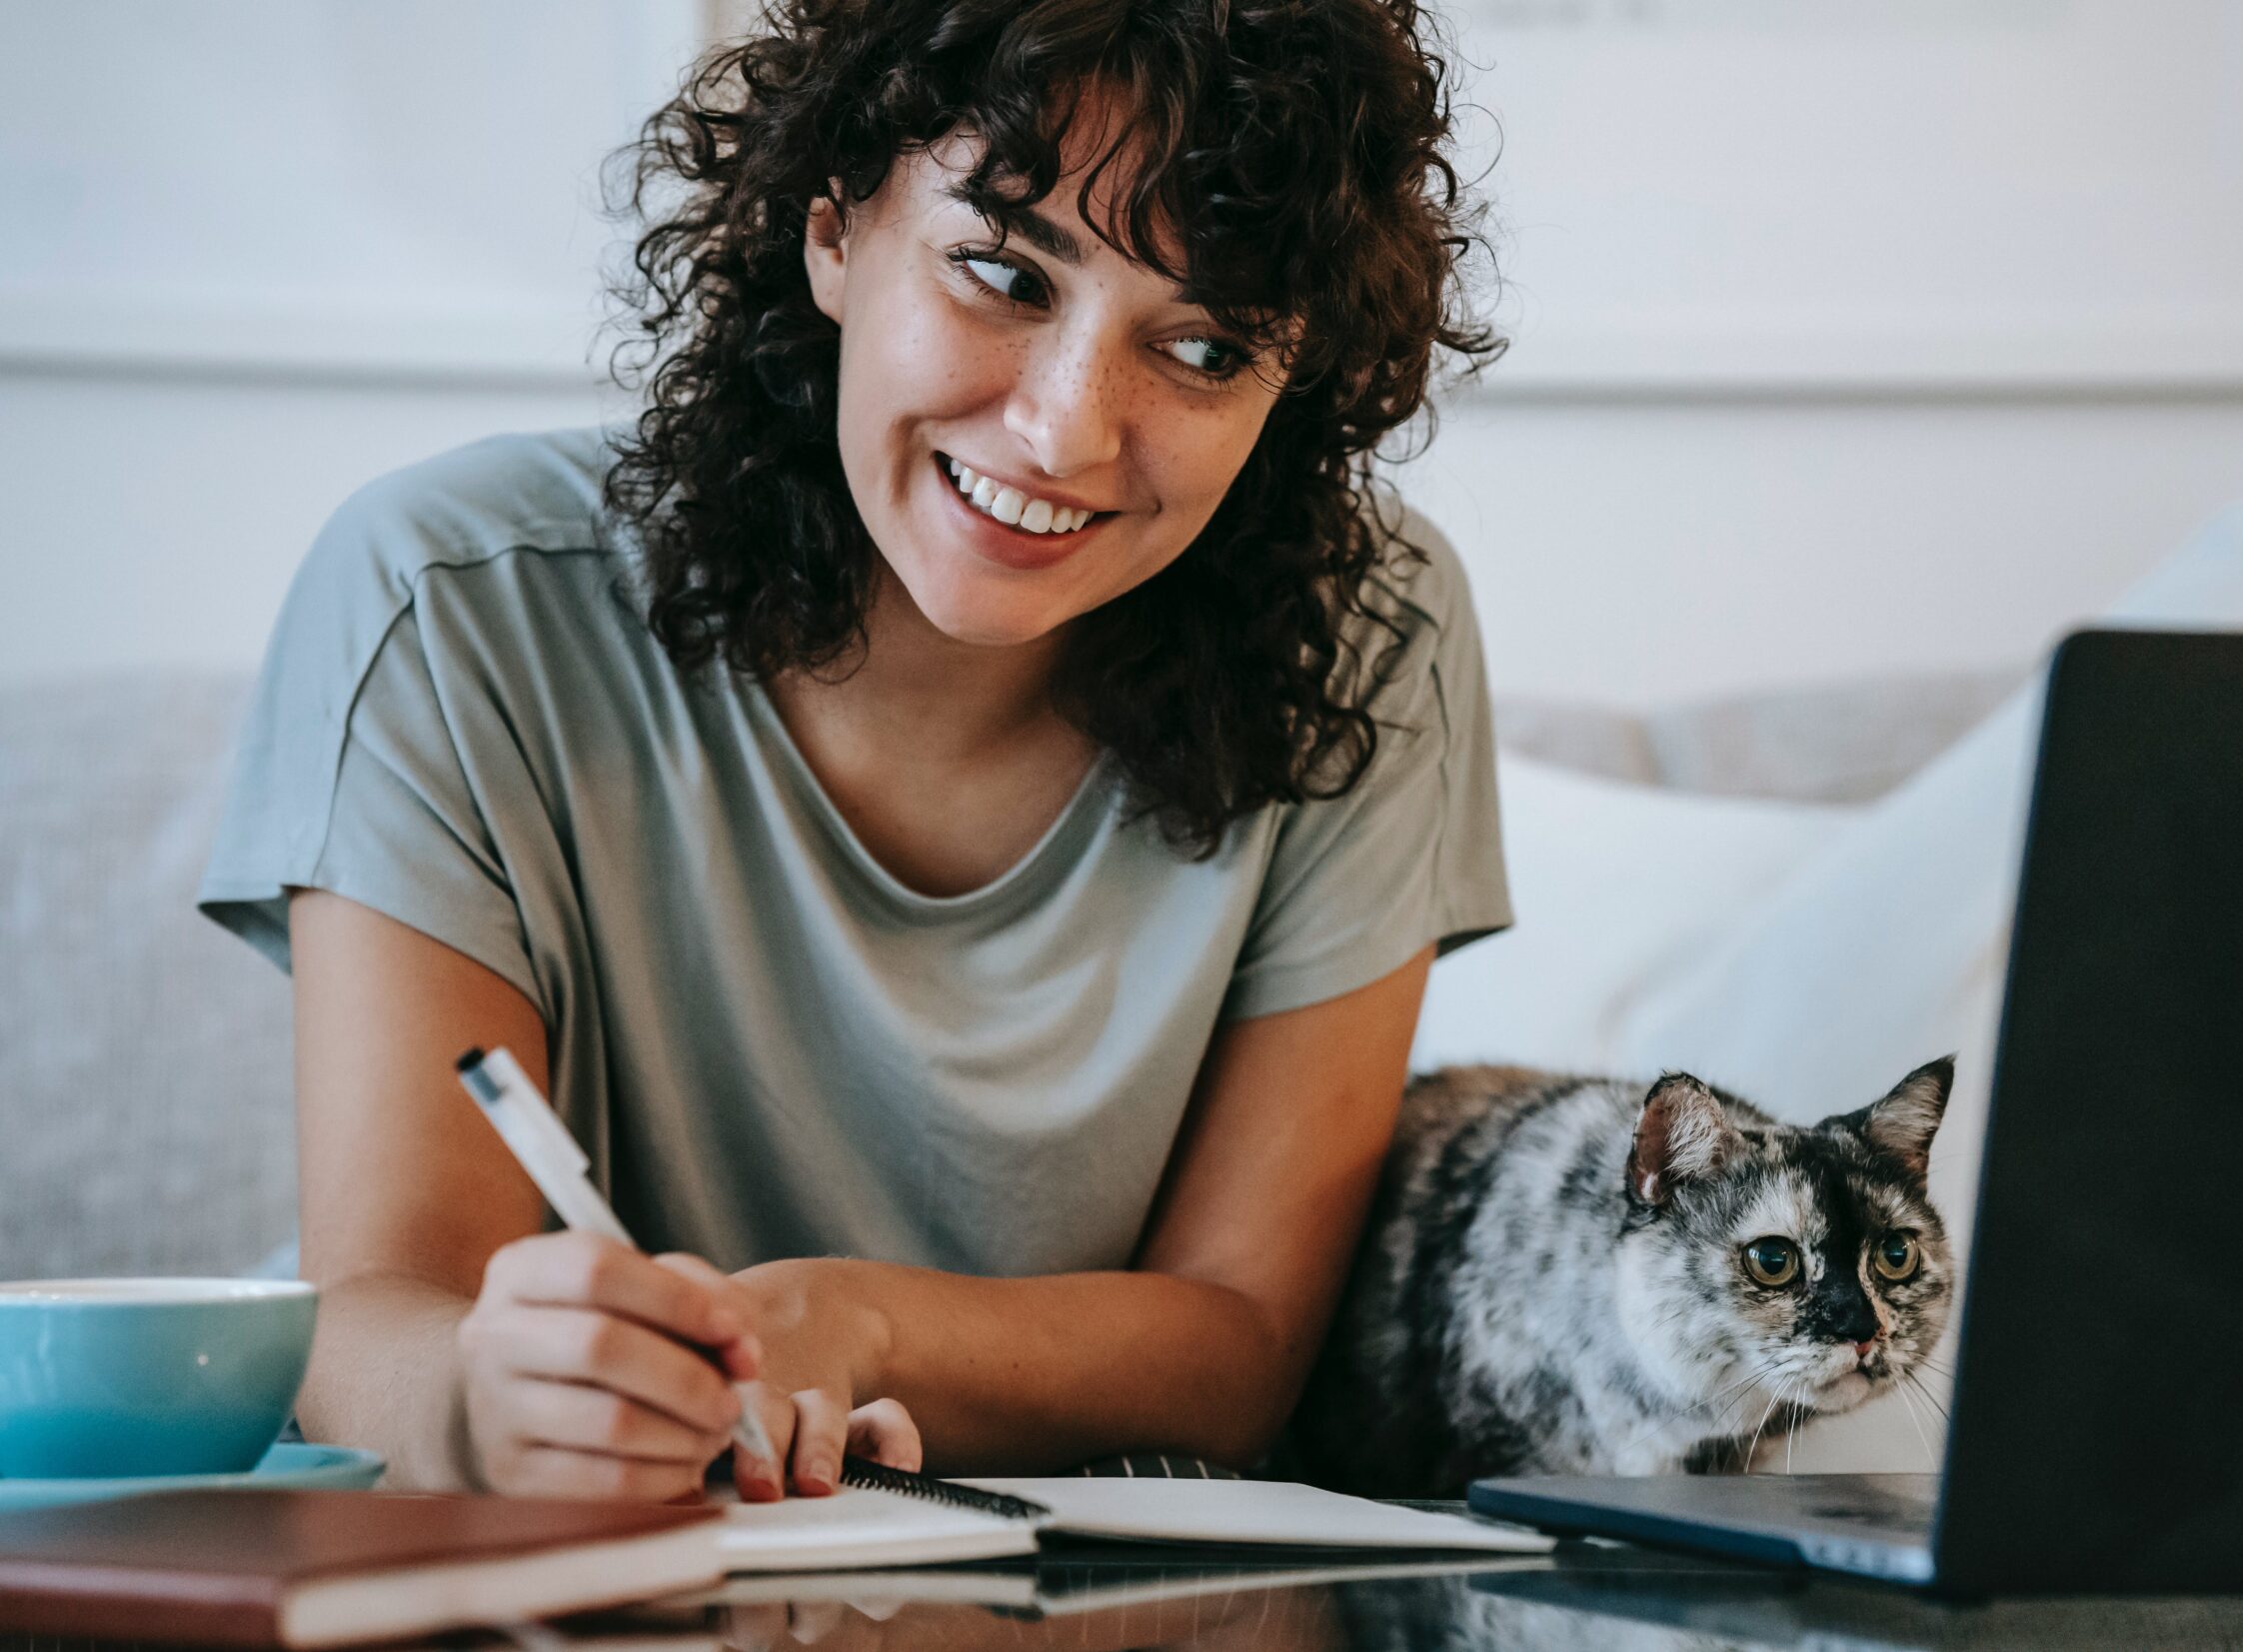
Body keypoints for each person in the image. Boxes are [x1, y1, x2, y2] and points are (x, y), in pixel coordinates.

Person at [198, 0, 1507, 1502]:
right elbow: (378, 1313)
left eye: (1205, 345)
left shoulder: (1370, 637)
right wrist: (488, 1400)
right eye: (1003, 271)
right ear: (833, 226)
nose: (1066, 430)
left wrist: (855, 1321)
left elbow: (1242, 1342)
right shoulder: (445, 606)